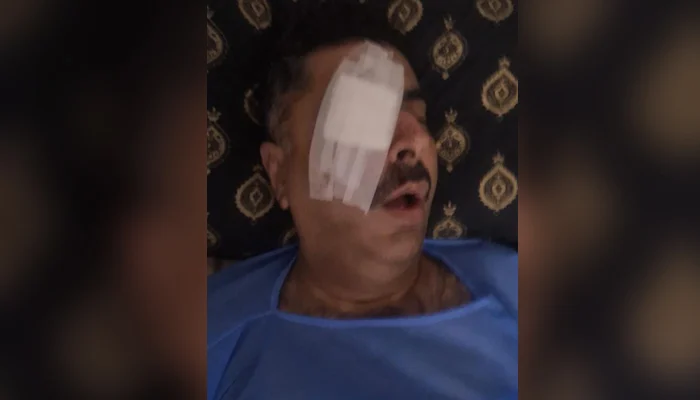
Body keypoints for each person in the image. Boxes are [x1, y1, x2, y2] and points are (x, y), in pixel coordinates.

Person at [208, 4, 517, 399]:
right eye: (363, 118)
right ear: (279, 172)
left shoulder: (518, 288)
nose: (414, 142)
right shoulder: (210, 332)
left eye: (419, 117)